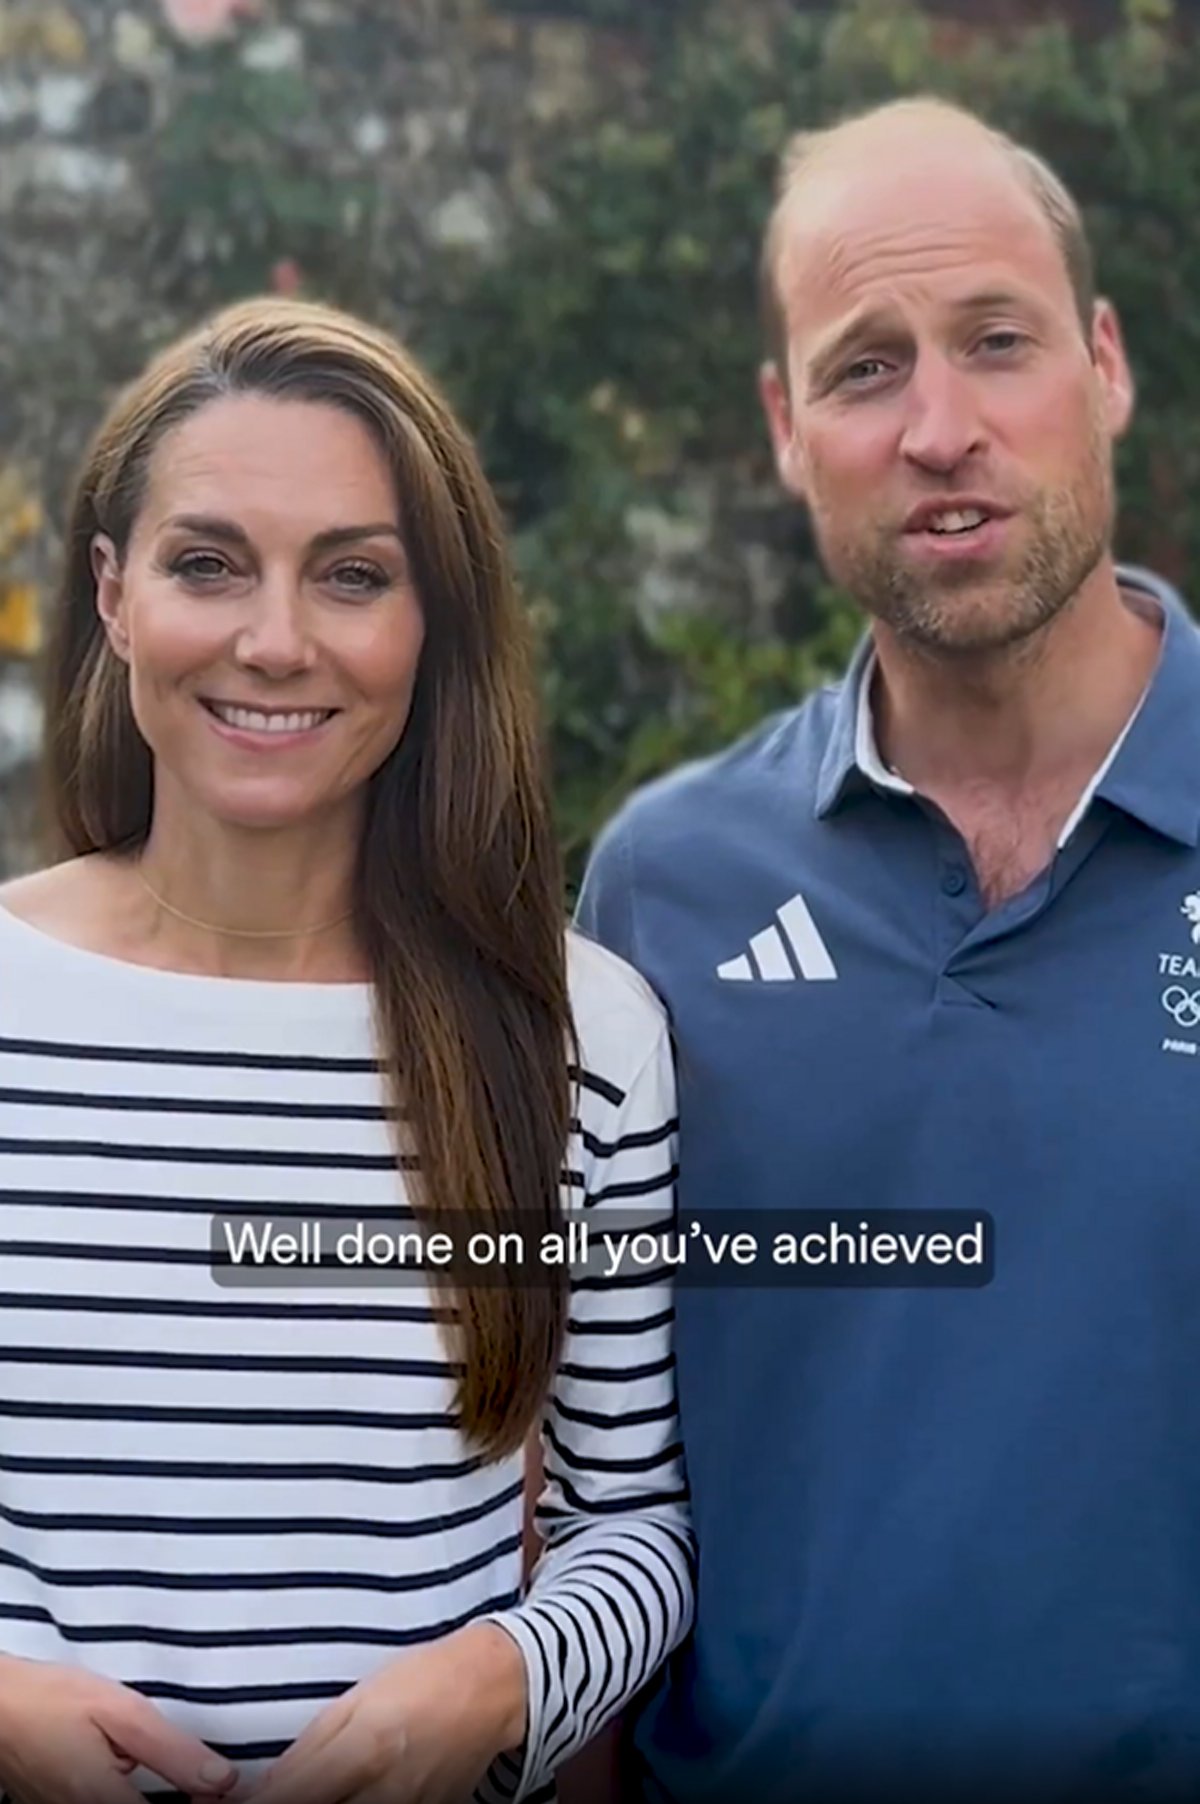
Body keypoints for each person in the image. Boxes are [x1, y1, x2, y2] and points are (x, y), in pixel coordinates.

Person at [576, 94, 1200, 1803]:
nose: (941, 426)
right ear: (786, 428)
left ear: (1107, 365)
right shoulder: (662, 894)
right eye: (865, 369)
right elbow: (578, 1464)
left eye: (997, 343)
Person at [0, 296, 693, 1804]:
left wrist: (495, 1681)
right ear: (113, 596)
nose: (273, 641)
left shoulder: (583, 1039)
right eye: (206, 564)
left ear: (428, 624)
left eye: (353, 577)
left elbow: (635, 1519)